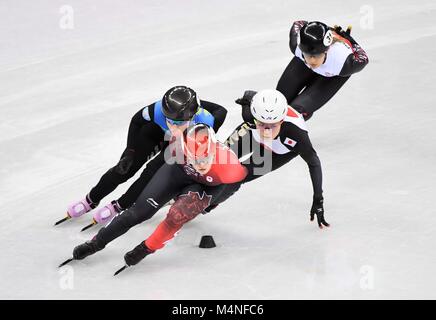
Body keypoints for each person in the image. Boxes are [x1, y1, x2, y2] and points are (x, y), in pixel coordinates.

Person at [70, 124, 247, 267]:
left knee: (176, 216)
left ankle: (146, 247)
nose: (200, 164)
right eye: (194, 158)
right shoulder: (177, 145)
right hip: (178, 171)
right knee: (138, 212)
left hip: (208, 186)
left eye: (204, 158)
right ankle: (95, 243)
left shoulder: (231, 168)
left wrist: (213, 202)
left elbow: (234, 185)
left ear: (214, 152)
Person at [57, 86, 228, 227]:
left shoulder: (204, 123)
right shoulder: (157, 110)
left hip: (180, 143)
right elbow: (137, 121)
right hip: (156, 133)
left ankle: (119, 206)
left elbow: (222, 112)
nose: (173, 124)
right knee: (124, 168)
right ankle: (91, 199)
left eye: (178, 122)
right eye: (169, 119)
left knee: (151, 174)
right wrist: (130, 151)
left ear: (192, 115)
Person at [221, 89, 329, 228]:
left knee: (237, 177)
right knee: (220, 162)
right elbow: (250, 95)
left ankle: (208, 205)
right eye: (262, 124)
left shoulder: (296, 134)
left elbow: (314, 163)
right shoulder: (250, 115)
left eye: (272, 126)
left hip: (277, 151)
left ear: (282, 120)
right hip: (253, 136)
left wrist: (318, 199)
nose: (266, 131)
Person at [258, 21, 368, 121]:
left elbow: (364, 58)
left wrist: (351, 41)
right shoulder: (295, 45)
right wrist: (325, 29)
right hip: (303, 63)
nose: (312, 60)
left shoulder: (344, 62)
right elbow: (299, 23)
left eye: (317, 55)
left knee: (297, 112)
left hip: (333, 75)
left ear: (327, 50)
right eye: (308, 55)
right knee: (277, 102)